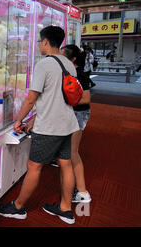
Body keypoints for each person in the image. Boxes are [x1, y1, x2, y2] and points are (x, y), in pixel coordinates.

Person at [0, 26, 79, 224]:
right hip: (68, 123)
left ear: (47, 42)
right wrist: (33, 119)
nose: (39, 45)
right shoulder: (69, 63)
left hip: (49, 127)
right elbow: (57, 97)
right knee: (66, 164)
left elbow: (31, 98)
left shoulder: (44, 65)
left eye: (40, 41)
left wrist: (19, 120)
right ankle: (65, 208)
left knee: (34, 166)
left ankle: (18, 207)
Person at [61, 45, 92, 204]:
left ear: (72, 59)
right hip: (76, 115)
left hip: (78, 115)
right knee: (71, 153)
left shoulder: (79, 75)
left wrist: (65, 100)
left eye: (63, 56)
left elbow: (86, 99)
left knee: (73, 153)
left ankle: (82, 191)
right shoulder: (71, 73)